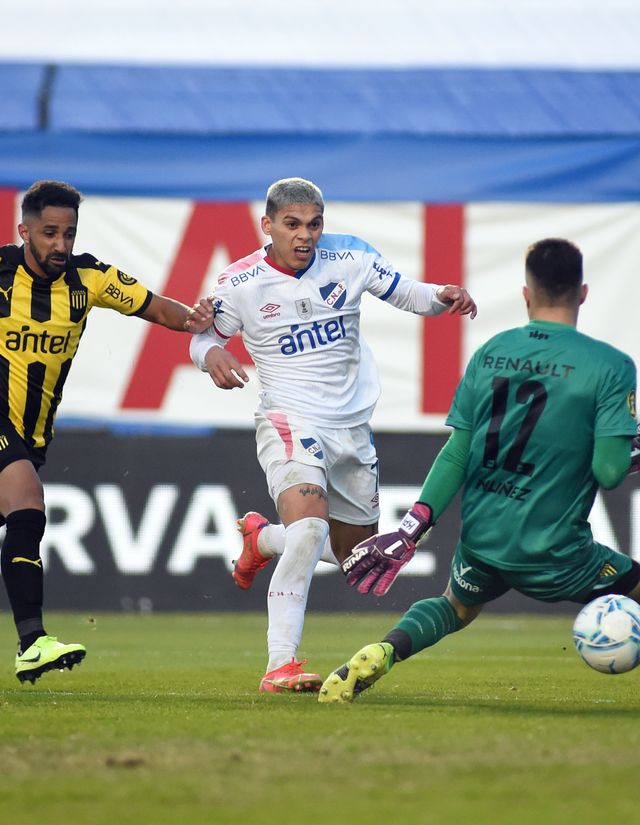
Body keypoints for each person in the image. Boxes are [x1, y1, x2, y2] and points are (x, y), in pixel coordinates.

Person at [318, 237, 640, 703]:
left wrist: (411, 528)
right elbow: (608, 473)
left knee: (456, 606)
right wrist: (625, 456)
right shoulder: (610, 366)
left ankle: (383, 651)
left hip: (485, 537)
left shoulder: (491, 352)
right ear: (583, 293)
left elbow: (457, 451)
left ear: (526, 293)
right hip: (555, 552)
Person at [0, 179, 213, 684]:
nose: (60, 245)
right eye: (49, 234)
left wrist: (199, 322)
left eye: (68, 234)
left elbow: (157, 307)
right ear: (24, 231)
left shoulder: (91, 279)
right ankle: (32, 642)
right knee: (28, 505)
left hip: (29, 441)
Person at [189, 177, 477, 693]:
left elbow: (407, 292)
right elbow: (204, 332)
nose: (305, 236)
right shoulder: (240, 283)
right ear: (268, 225)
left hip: (352, 429)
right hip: (289, 421)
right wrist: (210, 352)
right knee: (309, 528)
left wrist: (442, 296)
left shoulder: (349, 257)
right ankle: (281, 663)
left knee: (353, 557)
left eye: (314, 224)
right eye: (292, 225)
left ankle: (262, 539)